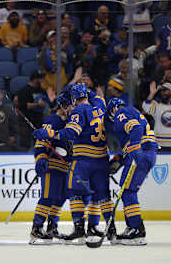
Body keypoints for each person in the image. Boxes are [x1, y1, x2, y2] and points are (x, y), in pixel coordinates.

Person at [33, 84, 116, 244]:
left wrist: (49, 133)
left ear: (72, 100)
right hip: (102, 158)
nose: (68, 108)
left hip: (84, 159)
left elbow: (70, 133)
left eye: (68, 104)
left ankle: (79, 229)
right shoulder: (99, 104)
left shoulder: (78, 111)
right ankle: (111, 230)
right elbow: (41, 145)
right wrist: (41, 157)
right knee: (102, 195)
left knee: (74, 193)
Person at [106, 97, 158, 245]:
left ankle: (137, 230)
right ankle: (132, 227)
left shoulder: (121, 112)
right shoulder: (131, 112)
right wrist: (118, 160)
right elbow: (131, 140)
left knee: (128, 191)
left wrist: (135, 151)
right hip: (144, 153)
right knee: (126, 189)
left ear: (113, 109)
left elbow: (135, 129)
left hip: (141, 153)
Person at [29, 90, 72, 244]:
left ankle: (52, 227)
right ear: (64, 105)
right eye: (71, 104)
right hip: (52, 166)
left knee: (60, 198)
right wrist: (41, 158)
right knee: (48, 197)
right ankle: (36, 229)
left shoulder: (71, 122)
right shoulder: (54, 119)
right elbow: (41, 141)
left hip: (65, 167)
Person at [17, 70, 46, 149]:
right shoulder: (24, 90)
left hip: (39, 121)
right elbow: (24, 105)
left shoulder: (42, 90)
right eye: (41, 79)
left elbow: (47, 102)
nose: (43, 81)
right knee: (25, 144)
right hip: (26, 121)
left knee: (40, 144)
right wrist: (37, 104)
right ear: (35, 79)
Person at [0, 88, 18, 152]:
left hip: (6, 142)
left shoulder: (8, 109)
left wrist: (12, 135)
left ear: (2, 95)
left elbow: (13, 123)